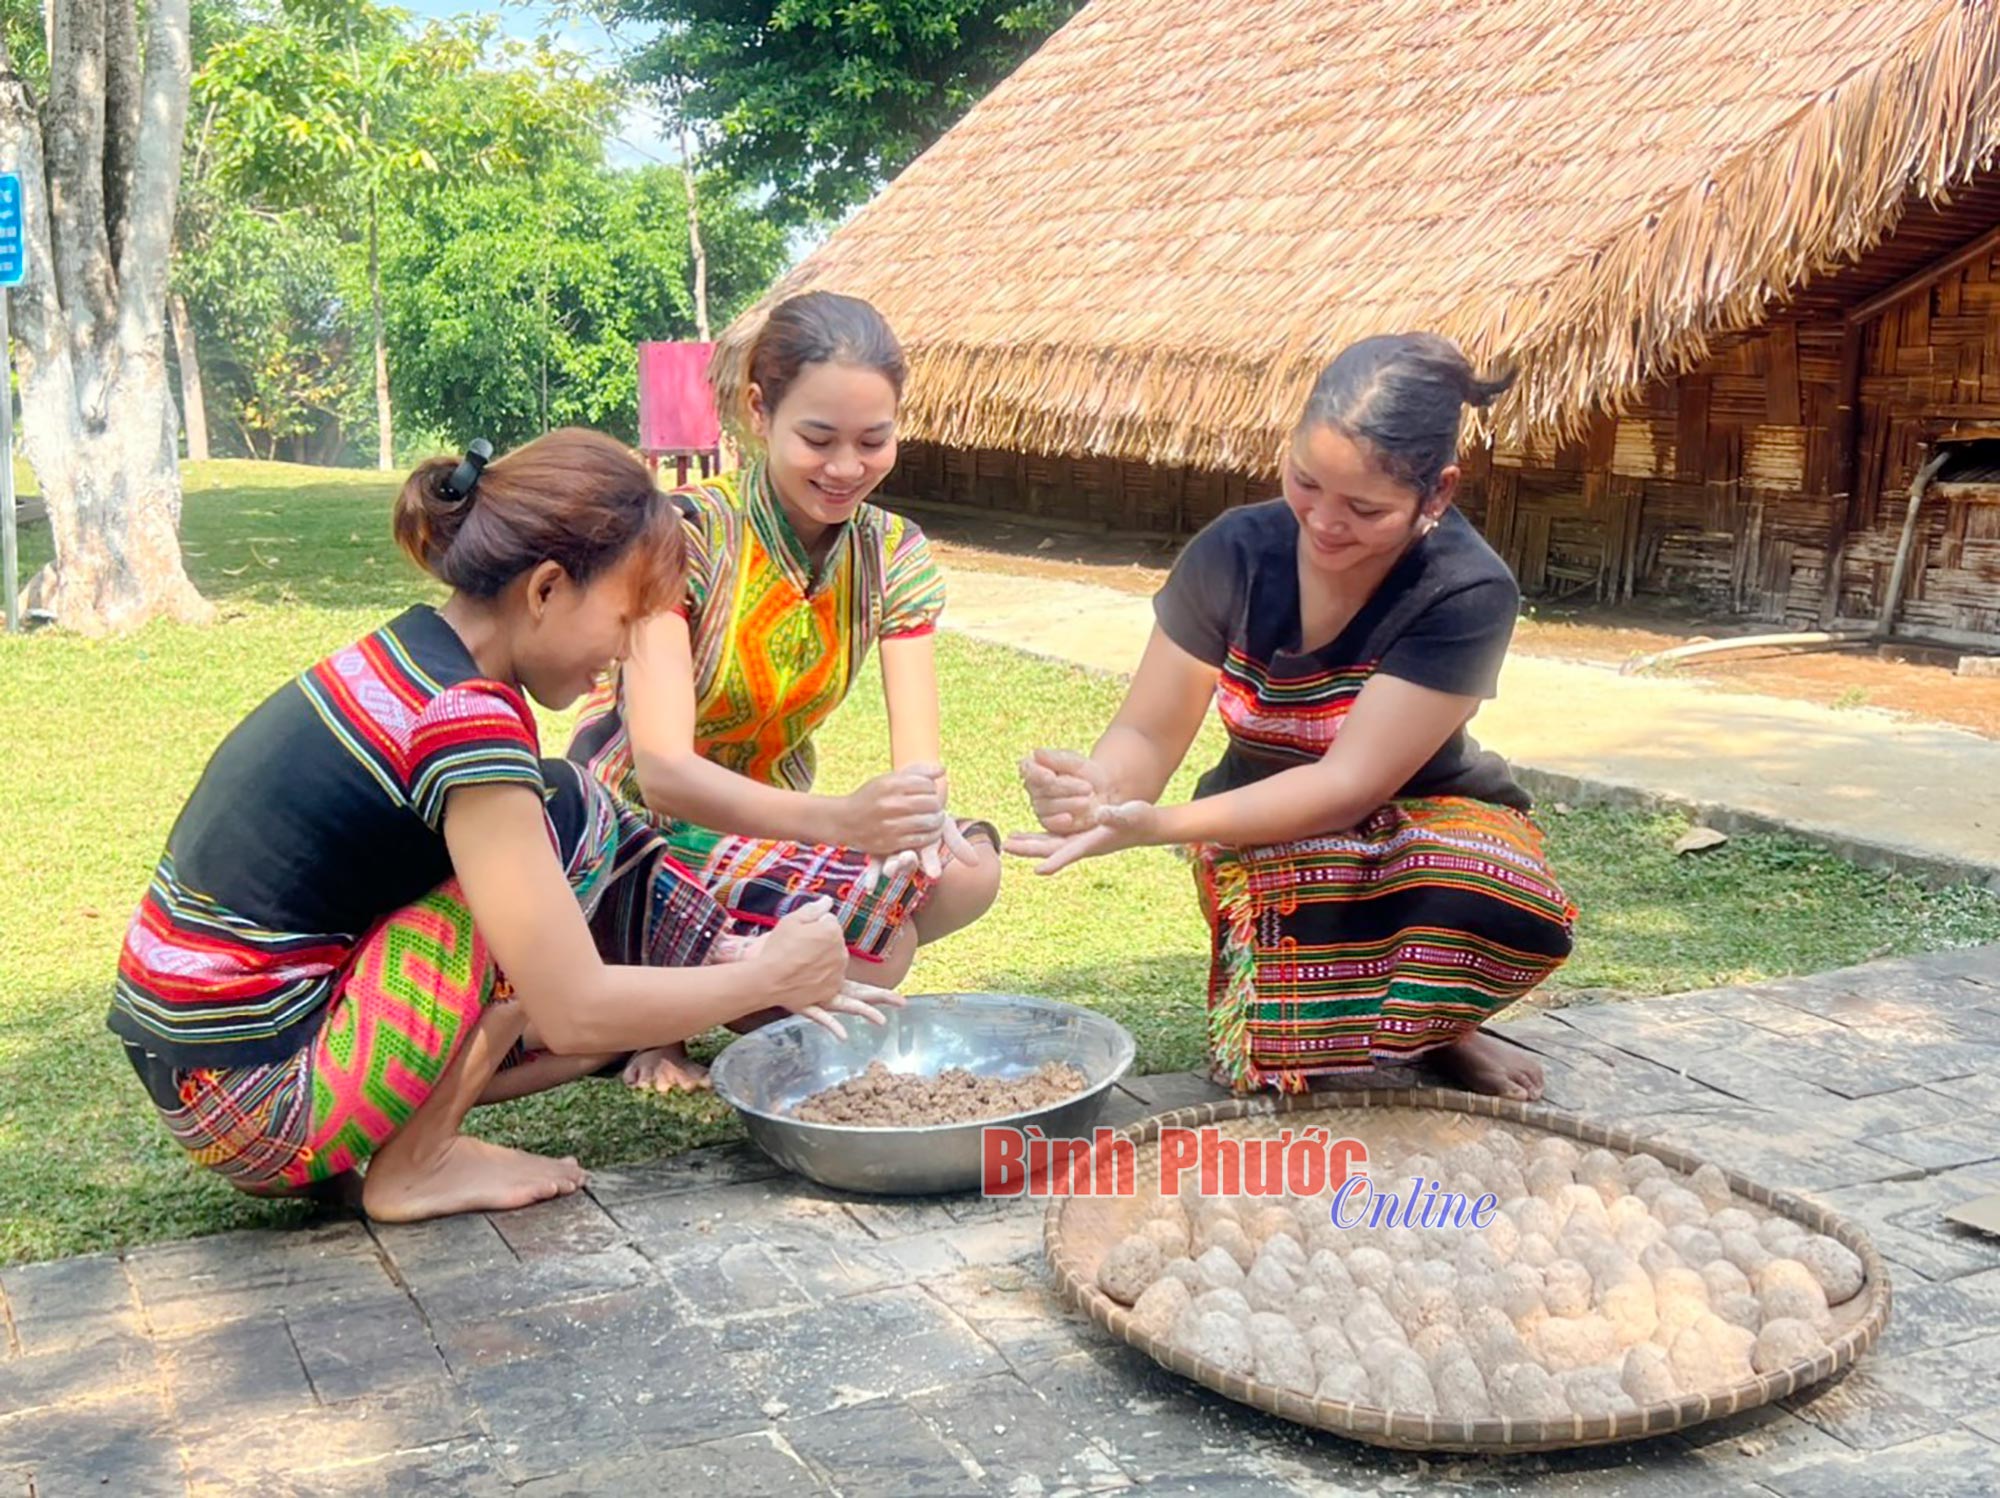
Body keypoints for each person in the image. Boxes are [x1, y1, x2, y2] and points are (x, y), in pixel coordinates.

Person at [110, 429, 895, 1223]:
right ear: (547, 589)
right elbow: (573, 1008)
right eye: (625, 619)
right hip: (261, 1109)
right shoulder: (466, 717)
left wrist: (731, 962)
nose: (625, 653)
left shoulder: (407, 658)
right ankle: (419, 1163)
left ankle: (720, 949)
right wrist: (767, 981)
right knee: (565, 838)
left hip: (207, 1082)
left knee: (568, 813)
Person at [1009, 335, 1575, 1099]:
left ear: (1438, 494)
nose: (1324, 521)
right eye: (1305, 482)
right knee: (1291, 1059)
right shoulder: (1234, 552)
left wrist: (1159, 825)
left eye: (1365, 508)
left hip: (1423, 825)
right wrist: (1098, 791)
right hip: (1261, 828)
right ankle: (1347, 1029)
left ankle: (1442, 1031)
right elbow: (1147, 730)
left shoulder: (1466, 589)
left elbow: (1346, 787)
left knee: (1489, 883)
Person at [570, 292, 1001, 1093]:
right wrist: (843, 824)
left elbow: (918, 769)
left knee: (967, 866)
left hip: (772, 828)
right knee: (877, 952)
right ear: (759, 412)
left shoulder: (892, 552)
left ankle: (722, 980)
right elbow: (661, 773)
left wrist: (915, 823)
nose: (846, 469)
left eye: (873, 441)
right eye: (818, 439)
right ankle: (662, 1003)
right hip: (639, 831)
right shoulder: (683, 534)